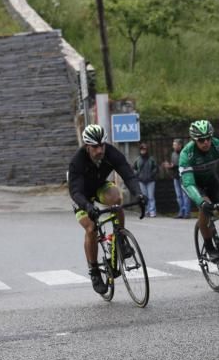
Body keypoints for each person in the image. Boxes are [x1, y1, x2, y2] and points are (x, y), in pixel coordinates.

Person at [68, 125, 145, 294]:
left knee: (116, 199)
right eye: (95, 147)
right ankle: (94, 271)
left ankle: (120, 238)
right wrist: (88, 207)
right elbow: (75, 192)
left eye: (102, 145)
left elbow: (128, 174)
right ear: (87, 146)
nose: (100, 150)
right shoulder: (77, 162)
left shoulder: (110, 153)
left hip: (100, 187)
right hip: (81, 197)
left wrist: (139, 194)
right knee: (91, 228)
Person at [179, 120, 219, 261]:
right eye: (201, 140)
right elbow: (188, 183)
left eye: (208, 138)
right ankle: (209, 246)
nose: (206, 142)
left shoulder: (218, 146)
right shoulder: (187, 154)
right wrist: (201, 201)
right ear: (194, 140)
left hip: (211, 180)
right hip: (193, 184)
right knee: (205, 208)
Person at [164, 138, 191, 219]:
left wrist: (173, 166)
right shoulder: (173, 154)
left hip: (183, 176)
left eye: (175, 145)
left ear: (180, 145)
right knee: (179, 196)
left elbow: (184, 164)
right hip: (175, 177)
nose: (174, 146)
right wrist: (169, 166)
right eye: (173, 145)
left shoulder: (184, 153)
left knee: (185, 195)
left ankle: (186, 213)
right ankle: (181, 212)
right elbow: (173, 164)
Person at [134, 143, 158, 218]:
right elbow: (134, 168)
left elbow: (156, 168)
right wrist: (137, 174)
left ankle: (152, 211)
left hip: (150, 180)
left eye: (144, 149)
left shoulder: (151, 159)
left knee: (151, 196)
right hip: (141, 181)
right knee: (145, 197)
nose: (143, 151)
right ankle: (147, 211)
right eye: (142, 149)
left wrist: (152, 174)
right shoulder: (138, 159)